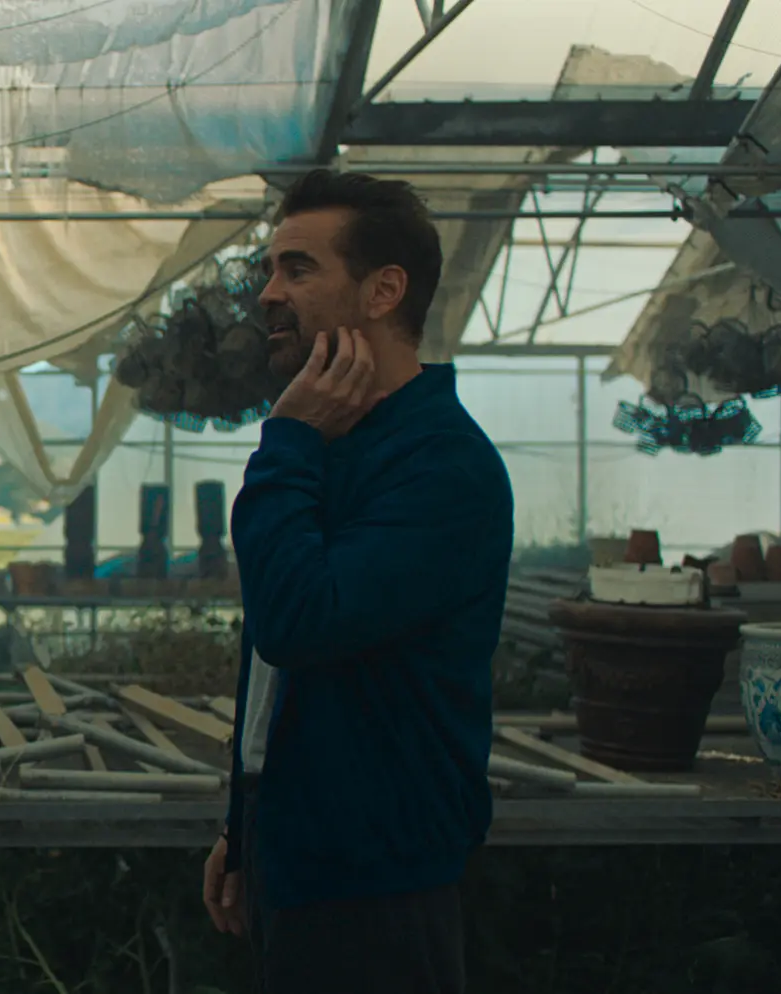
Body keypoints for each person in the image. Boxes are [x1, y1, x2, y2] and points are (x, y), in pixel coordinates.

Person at [200, 169, 514, 993]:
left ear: (383, 291)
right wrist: (248, 824)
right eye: (270, 269)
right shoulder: (336, 442)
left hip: (378, 883)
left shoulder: (439, 467)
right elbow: (280, 676)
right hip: (302, 860)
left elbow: (299, 623)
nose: (268, 293)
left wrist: (285, 442)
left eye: (298, 269)